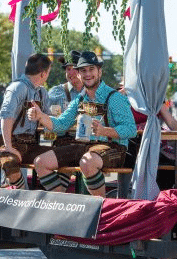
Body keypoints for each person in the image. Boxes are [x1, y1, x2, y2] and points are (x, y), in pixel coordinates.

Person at [29, 51, 137, 197]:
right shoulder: (80, 99)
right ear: (79, 74)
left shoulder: (114, 97)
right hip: (85, 147)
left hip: (114, 148)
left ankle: (100, 208)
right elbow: (62, 124)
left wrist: (105, 131)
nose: (87, 74)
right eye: (83, 70)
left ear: (100, 71)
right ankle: (63, 203)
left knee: (87, 163)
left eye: (91, 69)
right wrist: (41, 116)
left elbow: (131, 129)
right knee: (40, 162)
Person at [0, 53, 54, 189]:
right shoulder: (17, 87)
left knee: (60, 157)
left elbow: (47, 118)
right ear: (43, 74)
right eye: (48, 72)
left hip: (30, 144)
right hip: (9, 142)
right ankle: (24, 195)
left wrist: (42, 117)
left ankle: (54, 198)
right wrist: (9, 147)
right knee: (10, 164)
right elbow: (5, 117)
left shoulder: (42, 92)